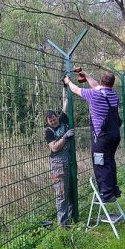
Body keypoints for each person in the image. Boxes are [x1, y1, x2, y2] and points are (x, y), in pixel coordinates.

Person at [64, 69, 122, 203]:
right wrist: (86, 75)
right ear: (112, 84)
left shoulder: (94, 94)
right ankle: (114, 190)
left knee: (100, 163)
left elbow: (76, 90)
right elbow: (97, 86)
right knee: (110, 161)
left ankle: (106, 195)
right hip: (114, 134)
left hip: (102, 137)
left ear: (102, 81)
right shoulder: (114, 94)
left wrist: (68, 82)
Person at [44, 87, 75, 226]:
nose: (53, 122)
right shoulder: (48, 131)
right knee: (61, 194)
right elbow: (54, 147)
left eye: (54, 119)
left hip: (70, 160)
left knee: (71, 191)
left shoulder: (63, 119)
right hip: (58, 164)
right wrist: (65, 136)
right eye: (50, 121)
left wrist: (64, 86)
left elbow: (66, 101)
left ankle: (72, 218)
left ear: (57, 116)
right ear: (47, 122)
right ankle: (63, 225)